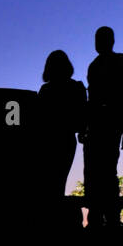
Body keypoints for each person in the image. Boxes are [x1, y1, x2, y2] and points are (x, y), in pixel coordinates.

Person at [83, 26, 123, 233]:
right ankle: (103, 216)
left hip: (106, 122)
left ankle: (105, 216)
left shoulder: (106, 64)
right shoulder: (103, 64)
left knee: (101, 170)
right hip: (104, 123)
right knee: (101, 171)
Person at [35, 49, 87, 235]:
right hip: (65, 140)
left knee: (48, 183)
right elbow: (82, 117)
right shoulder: (76, 87)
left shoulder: (46, 90)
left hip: (48, 141)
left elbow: (38, 118)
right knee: (57, 182)